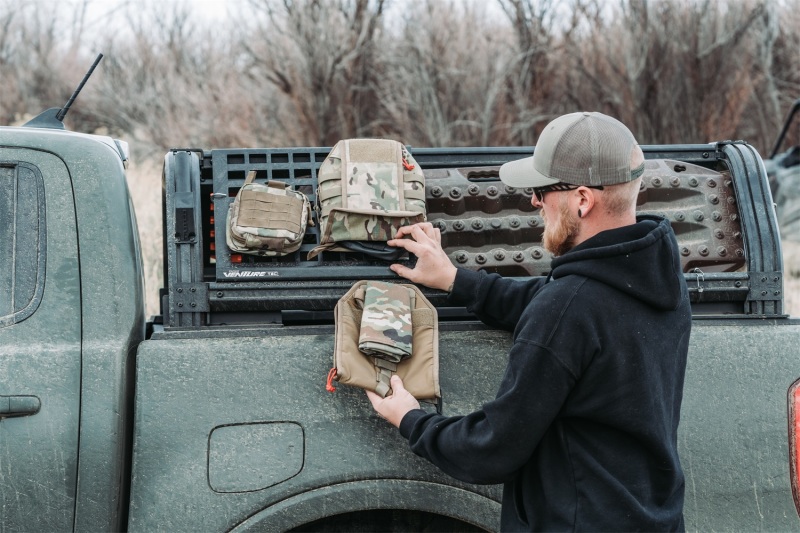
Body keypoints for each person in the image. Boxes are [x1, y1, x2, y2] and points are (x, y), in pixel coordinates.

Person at [366, 111, 691, 531]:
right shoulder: (655, 276)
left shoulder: (568, 308)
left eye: (541, 190)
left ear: (582, 200)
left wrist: (411, 419)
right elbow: (552, 302)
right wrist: (454, 280)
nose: (535, 202)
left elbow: (492, 449)